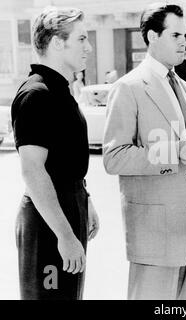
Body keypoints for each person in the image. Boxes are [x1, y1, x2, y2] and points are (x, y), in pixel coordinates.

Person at [103, 3, 186, 300]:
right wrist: (176, 153)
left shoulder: (183, 86)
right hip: (155, 237)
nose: (185, 42)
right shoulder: (128, 87)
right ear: (152, 36)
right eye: (176, 35)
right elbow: (114, 157)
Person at [11, 6, 99, 300]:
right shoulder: (37, 94)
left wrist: (85, 199)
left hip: (67, 206)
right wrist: (63, 234)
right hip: (49, 218)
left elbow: (65, 160)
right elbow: (33, 171)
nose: (88, 47)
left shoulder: (60, 91)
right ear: (57, 43)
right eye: (82, 39)